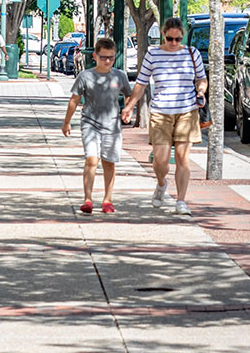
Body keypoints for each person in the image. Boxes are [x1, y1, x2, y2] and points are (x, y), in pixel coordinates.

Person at [120, 16, 207, 216]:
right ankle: (161, 183)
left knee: (183, 159)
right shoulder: (153, 55)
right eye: (170, 39)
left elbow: (202, 78)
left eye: (178, 39)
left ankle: (181, 201)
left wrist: (201, 90)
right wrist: (129, 107)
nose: (174, 43)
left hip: (187, 110)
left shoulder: (192, 54)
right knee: (161, 160)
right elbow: (141, 84)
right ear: (163, 35)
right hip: (160, 112)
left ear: (182, 36)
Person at [62, 37, 132, 214]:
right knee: (91, 159)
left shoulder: (120, 75)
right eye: (103, 57)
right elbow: (74, 100)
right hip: (90, 123)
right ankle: (88, 199)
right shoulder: (85, 76)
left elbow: (129, 95)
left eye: (111, 57)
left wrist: (128, 110)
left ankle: (107, 200)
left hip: (112, 125)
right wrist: (66, 122)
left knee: (109, 162)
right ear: (95, 56)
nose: (107, 61)